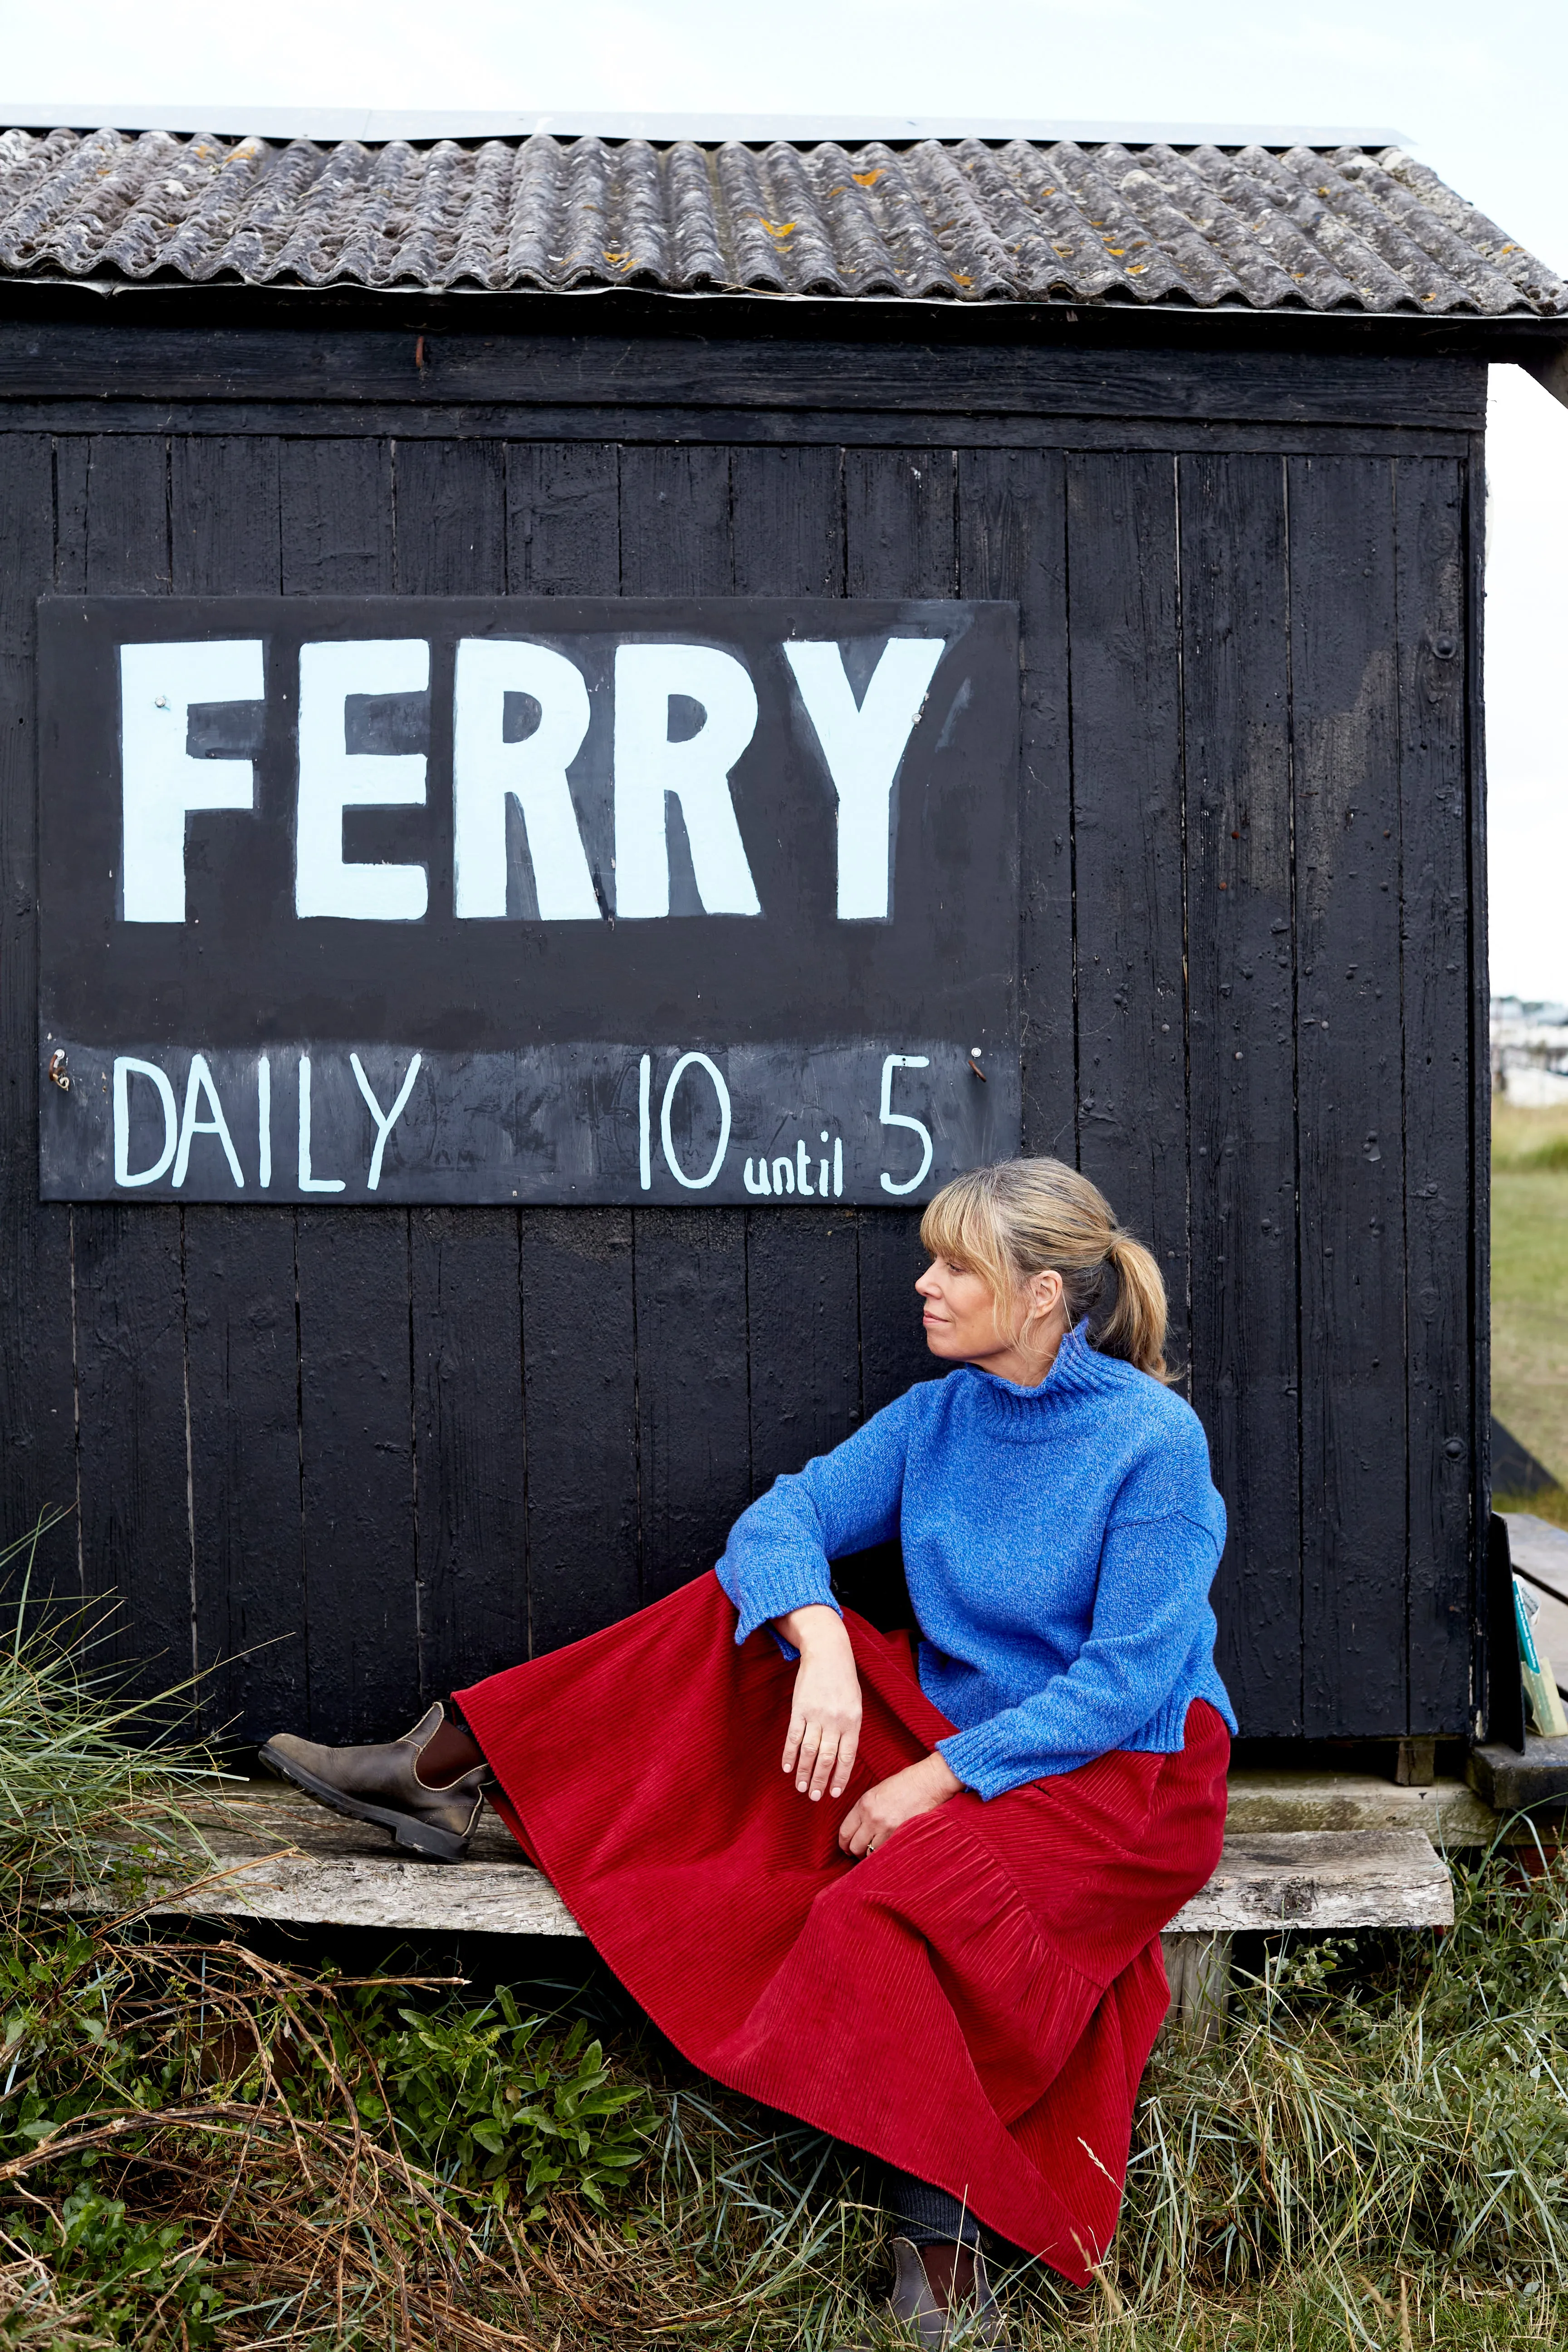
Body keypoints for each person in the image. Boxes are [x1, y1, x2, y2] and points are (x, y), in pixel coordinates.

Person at [262, 1158, 1235, 2347]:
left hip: (1121, 1775)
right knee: (739, 1616)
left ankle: (942, 2230)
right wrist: (820, 1641)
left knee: (896, 1907)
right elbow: (781, 1522)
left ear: (1040, 1296)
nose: (924, 1286)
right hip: (959, 1724)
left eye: (955, 1268)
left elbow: (1128, 1681)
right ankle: (452, 1762)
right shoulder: (941, 1416)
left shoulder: (1153, 1442)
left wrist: (936, 1782)